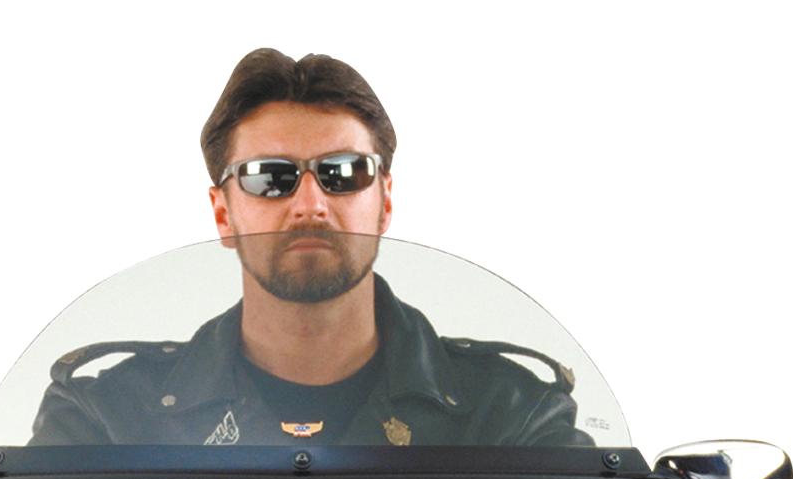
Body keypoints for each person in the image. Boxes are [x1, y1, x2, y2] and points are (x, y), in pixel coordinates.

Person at [30, 49, 591, 447]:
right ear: (223, 213)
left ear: (385, 200)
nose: (310, 204)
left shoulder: (511, 416)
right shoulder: (107, 419)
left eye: (343, 172)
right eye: (268, 177)